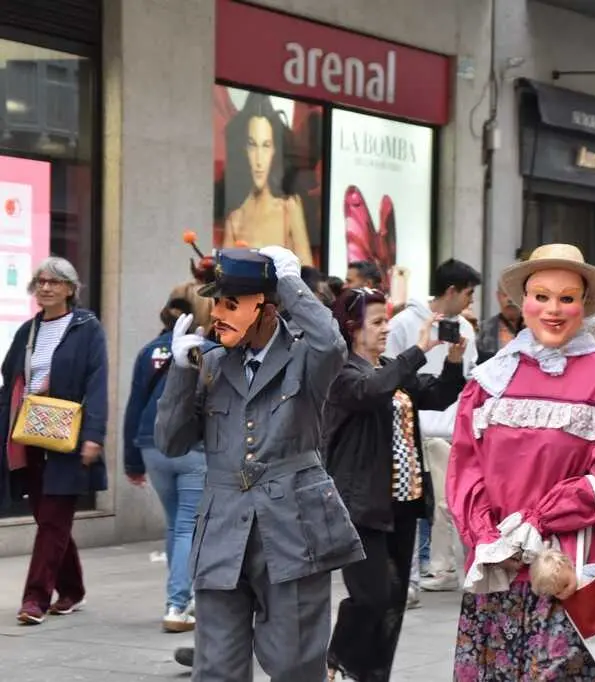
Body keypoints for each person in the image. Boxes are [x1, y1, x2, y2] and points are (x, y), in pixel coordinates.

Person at [155, 245, 364, 680]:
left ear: (268, 309)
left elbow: (330, 341)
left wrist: (289, 281)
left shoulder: (306, 356)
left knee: (294, 662)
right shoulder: (208, 364)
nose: (218, 313)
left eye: (232, 304)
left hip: (293, 528)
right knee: (216, 666)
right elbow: (170, 442)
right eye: (216, 302)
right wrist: (179, 372)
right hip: (223, 529)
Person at [447, 243, 595, 680]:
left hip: (568, 569)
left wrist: (535, 523)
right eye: (542, 296)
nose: (553, 309)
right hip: (496, 570)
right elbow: (465, 464)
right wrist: (486, 537)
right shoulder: (490, 379)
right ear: (523, 302)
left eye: (566, 298)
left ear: (583, 306)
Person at [321, 287, 467, 681]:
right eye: (378, 322)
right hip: (361, 504)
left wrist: (453, 363)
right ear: (352, 328)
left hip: (403, 502)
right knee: (371, 596)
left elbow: (435, 396)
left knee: (394, 602)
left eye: (387, 320)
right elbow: (371, 391)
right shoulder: (341, 373)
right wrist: (416, 351)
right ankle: (336, 655)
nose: (386, 329)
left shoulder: (389, 368)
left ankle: (372, 674)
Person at [0, 257, 108, 625]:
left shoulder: (87, 328)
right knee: (48, 517)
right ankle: (73, 588)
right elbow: (10, 374)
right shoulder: (27, 331)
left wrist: (94, 435)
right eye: (41, 281)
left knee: (53, 520)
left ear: (70, 289)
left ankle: (35, 599)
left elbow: (97, 382)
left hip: (68, 434)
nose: (45, 287)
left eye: (55, 282)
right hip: (29, 434)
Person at [387, 259, 481, 600]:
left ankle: (440, 568)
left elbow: (461, 382)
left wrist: (455, 363)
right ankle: (411, 577)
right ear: (451, 291)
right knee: (409, 505)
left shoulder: (467, 331)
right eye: (468, 293)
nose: (471, 302)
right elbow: (387, 372)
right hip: (408, 430)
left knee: (446, 504)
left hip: (449, 425)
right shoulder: (403, 324)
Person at [122, 282, 212, 632]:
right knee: (189, 524)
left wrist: (132, 460)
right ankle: (178, 604)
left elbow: (135, 404)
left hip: (151, 445)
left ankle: (182, 598)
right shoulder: (206, 349)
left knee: (177, 524)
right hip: (192, 448)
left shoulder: (148, 351)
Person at [223, 93, 314, 265]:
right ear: (244, 149)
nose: (259, 159)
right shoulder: (235, 219)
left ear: (274, 150)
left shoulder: (289, 208)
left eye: (266, 145)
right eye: (252, 145)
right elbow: (224, 281)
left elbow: (308, 275)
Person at [529, 548, 595, 600]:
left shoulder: (586, 571)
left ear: (570, 566)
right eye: (558, 593)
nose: (565, 593)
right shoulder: (569, 603)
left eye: (566, 585)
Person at [476, 286, 523, 364]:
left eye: (514, 294)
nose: (510, 300)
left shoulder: (536, 330)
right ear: (498, 296)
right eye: (505, 295)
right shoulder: (482, 330)